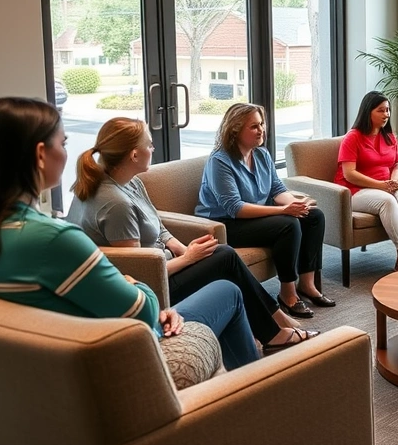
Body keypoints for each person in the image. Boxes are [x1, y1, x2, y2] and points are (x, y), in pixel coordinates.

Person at [0, 97, 260, 372]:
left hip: (29, 373)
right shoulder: (53, 240)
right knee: (227, 293)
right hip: (111, 363)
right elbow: (143, 311)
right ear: (41, 154)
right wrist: (132, 281)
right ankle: (259, 392)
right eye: (63, 143)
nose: (67, 152)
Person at [67, 117, 318, 351]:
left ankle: (274, 322)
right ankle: (274, 330)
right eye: (149, 145)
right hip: (152, 287)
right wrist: (189, 259)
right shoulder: (115, 204)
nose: (153, 149)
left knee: (220, 255)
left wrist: (183, 248)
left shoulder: (129, 181)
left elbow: (158, 225)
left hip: (166, 263)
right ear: (134, 154)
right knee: (225, 257)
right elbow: (139, 274)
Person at [196, 103, 331, 320]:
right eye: (253, 127)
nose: (261, 130)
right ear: (235, 130)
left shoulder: (261, 154)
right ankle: (288, 294)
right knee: (287, 224)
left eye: (261, 124)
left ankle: (307, 284)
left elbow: (277, 189)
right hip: (225, 224)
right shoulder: (219, 161)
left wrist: (297, 206)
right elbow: (235, 208)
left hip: (253, 218)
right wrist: (285, 211)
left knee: (313, 216)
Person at [334, 91, 398, 271]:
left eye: (388, 110)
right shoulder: (353, 137)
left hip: (385, 186)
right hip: (355, 190)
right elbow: (349, 174)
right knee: (387, 201)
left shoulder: (388, 136)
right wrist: (381, 186)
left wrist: (394, 180)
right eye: (381, 110)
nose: (386, 114)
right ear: (368, 111)